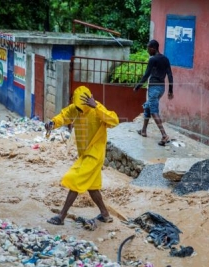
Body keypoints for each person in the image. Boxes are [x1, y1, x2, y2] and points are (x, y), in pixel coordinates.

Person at [45, 85, 119, 226]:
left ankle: (62, 216)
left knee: (74, 178)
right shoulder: (74, 109)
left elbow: (114, 120)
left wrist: (96, 106)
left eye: (82, 107)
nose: (79, 110)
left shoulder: (97, 109)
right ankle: (105, 214)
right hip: (84, 154)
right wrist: (52, 123)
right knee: (92, 187)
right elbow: (63, 116)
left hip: (95, 154)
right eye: (77, 106)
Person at [133, 39, 174, 146]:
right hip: (161, 89)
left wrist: (138, 86)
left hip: (154, 89)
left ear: (152, 48)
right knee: (148, 106)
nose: (147, 50)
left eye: (148, 48)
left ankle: (164, 135)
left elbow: (146, 75)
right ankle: (143, 131)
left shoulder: (153, 59)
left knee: (153, 111)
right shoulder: (165, 59)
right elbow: (170, 75)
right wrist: (170, 90)